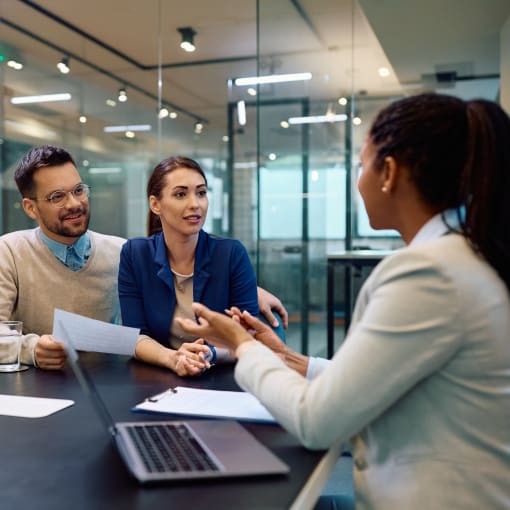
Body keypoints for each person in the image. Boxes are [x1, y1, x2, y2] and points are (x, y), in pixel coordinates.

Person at [176, 94, 510, 509]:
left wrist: (242, 346)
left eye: (361, 164)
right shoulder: (464, 256)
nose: (359, 179)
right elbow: (386, 370)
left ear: (388, 172)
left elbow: (314, 422)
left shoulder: (429, 273)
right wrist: (292, 359)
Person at [0, 145, 288, 371]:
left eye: (78, 190)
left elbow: (173, 268)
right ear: (30, 207)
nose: (74, 203)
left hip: (109, 380)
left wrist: (251, 288)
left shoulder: (119, 251)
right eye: (57, 197)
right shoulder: (9, 252)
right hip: (40, 386)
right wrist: (31, 350)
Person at [119, 156, 264, 376]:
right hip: (159, 376)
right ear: (155, 204)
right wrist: (173, 358)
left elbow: (248, 337)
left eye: (201, 193)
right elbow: (135, 336)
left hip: (224, 378)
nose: (195, 204)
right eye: (180, 194)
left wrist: (208, 354)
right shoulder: (135, 254)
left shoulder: (231, 253)